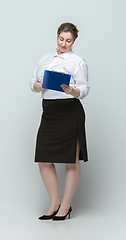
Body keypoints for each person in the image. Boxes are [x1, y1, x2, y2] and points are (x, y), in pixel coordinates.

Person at [30, 22, 90, 221]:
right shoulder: (45, 59)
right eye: (61, 39)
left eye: (68, 40)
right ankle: (54, 202)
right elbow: (32, 83)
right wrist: (40, 85)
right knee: (43, 160)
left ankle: (66, 205)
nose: (64, 43)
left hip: (69, 112)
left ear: (74, 41)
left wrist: (73, 91)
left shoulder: (77, 62)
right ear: (57, 37)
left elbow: (84, 88)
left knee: (70, 161)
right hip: (49, 112)